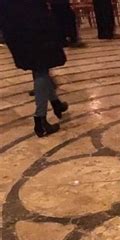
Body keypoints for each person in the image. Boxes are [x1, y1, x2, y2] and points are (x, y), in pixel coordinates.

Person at [1, 0, 68, 137]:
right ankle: (40, 120)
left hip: (13, 25)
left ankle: (56, 103)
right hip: (34, 25)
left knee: (39, 67)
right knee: (41, 67)